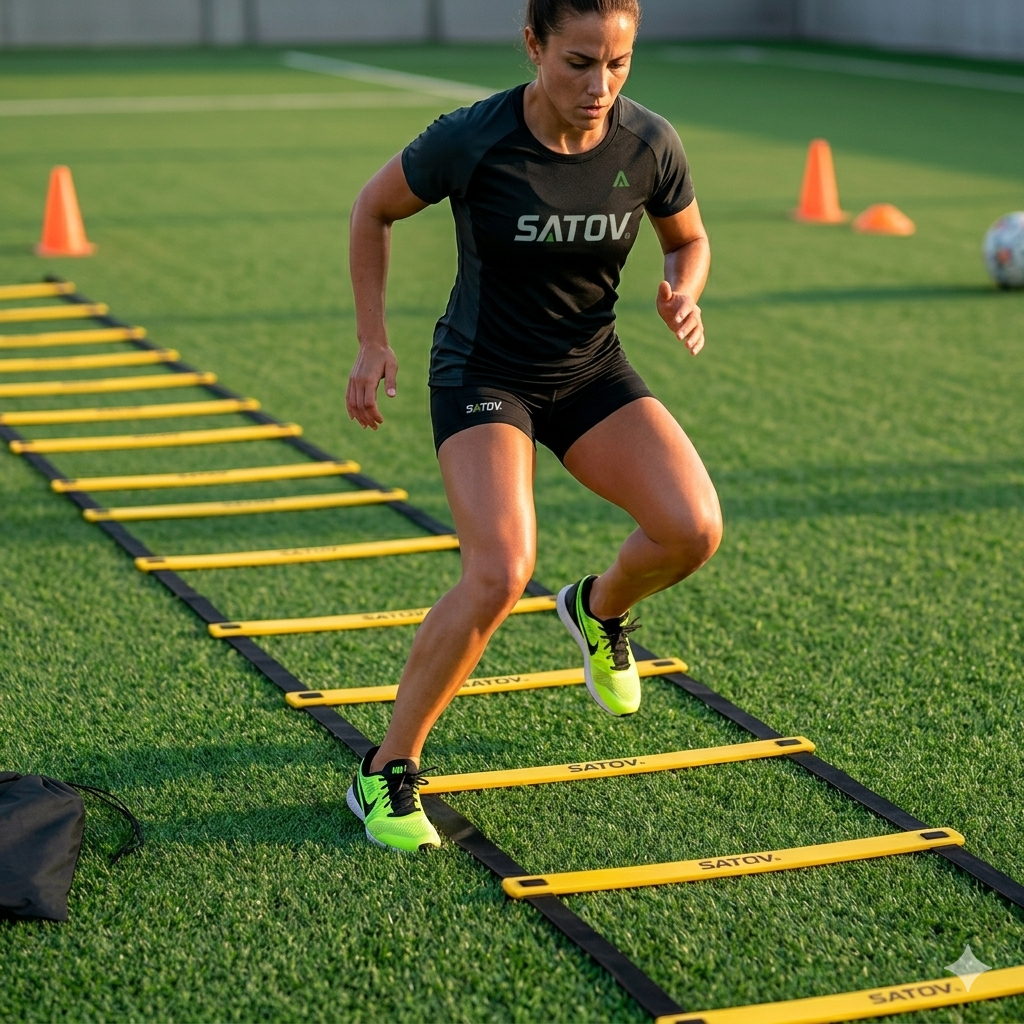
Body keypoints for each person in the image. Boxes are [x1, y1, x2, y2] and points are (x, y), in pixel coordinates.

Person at [344, 0, 722, 852]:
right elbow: (372, 209)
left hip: (590, 369)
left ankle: (598, 609)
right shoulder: (472, 139)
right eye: (579, 62)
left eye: (618, 64)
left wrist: (684, 288)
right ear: (533, 46)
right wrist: (372, 341)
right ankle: (383, 770)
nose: (600, 85)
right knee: (500, 570)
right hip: (483, 374)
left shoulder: (648, 143)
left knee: (693, 528)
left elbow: (689, 239)